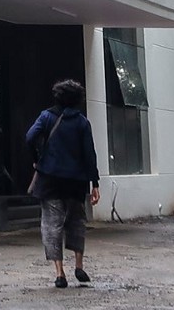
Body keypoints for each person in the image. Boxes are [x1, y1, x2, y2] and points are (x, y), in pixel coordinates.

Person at [26, 79, 100, 289]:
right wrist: (95, 182)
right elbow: (89, 154)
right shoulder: (82, 122)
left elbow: (30, 137)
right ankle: (79, 265)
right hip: (76, 181)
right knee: (76, 221)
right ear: (78, 99)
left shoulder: (46, 117)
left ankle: (60, 273)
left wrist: (37, 158)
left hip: (50, 179)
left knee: (52, 224)